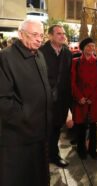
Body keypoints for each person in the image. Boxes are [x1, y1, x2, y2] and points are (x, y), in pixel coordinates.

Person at [0, 19, 52, 186]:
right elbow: (3, 101)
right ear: (21, 34)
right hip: (19, 138)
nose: (39, 39)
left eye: (41, 35)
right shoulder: (6, 57)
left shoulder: (40, 55)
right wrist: (26, 117)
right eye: (35, 35)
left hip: (41, 133)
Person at [40, 24, 72, 168]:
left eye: (63, 33)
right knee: (43, 129)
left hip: (61, 100)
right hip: (44, 99)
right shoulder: (40, 52)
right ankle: (42, 157)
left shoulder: (67, 52)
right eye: (59, 33)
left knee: (56, 128)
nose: (62, 36)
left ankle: (53, 155)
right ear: (50, 36)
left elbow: (68, 77)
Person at [71, 37, 97, 159]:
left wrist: (93, 97)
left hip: (94, 100)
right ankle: (81, 150)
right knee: (80, 126)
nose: (91, 48)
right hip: (80, 99)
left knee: (93, 126)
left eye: (93, 46)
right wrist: (79, 97)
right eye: (88, 46)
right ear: (83, 48)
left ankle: (93, 150)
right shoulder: (75, 62)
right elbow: (72, 82)